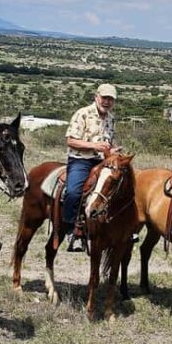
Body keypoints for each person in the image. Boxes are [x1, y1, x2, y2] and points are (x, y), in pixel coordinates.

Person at [63, 83, 118, 252]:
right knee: (73, 191)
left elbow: (108, 143)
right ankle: (71, 228)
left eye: (110, 99)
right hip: (81, 160)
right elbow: (71, 140)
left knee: (119, 187)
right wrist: (94, 146)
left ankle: (119, 228)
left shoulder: (111, 119)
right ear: (96, 97)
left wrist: (112, 150)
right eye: (104, 98)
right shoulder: (83, 114)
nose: (107, 102)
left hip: (102, 161)